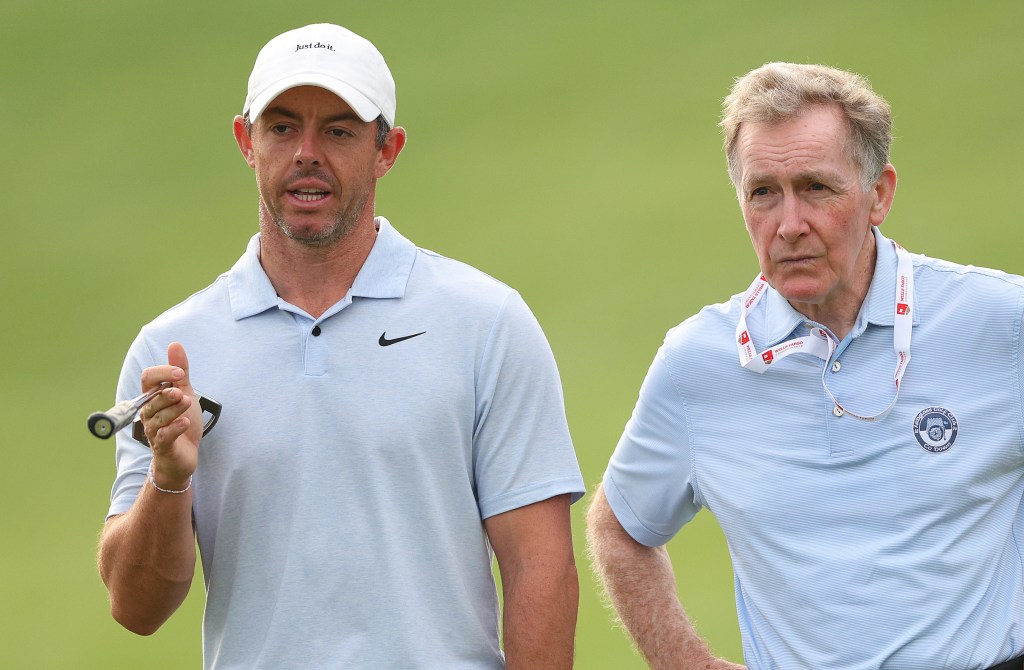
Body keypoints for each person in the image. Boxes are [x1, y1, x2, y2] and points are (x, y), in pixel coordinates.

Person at [98, 23, 585, 670]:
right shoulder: (172, 351)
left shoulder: (486, 322)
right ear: (246, 141)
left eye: (339, 130)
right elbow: (136, 609)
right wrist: (168, 481)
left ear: (387, 150)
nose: (306, 152)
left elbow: (539, 567)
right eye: (281, 127)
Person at [586, 62, 1024, 670]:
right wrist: (689, 663)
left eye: (816, 187)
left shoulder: (1001, 322)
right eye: (763, 192)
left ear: (880, 194)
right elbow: (620, 529)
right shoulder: (697, 363)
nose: (790, 225)